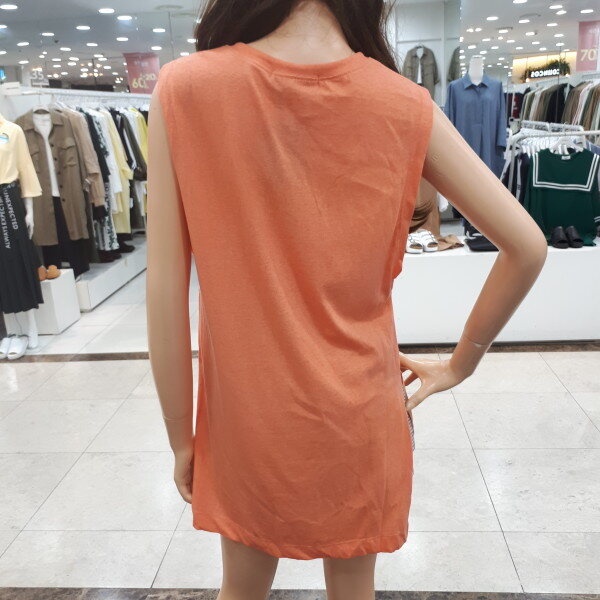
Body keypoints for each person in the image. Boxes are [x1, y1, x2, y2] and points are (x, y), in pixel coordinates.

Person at [146, 1, 547, 598]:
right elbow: (528, 246)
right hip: (362, 412)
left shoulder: (185, 88)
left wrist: (181, 434)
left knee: (241, 589)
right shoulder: (404, 102)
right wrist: (459, 364)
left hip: (249, 420)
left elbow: (164, 286)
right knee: (355, 588)